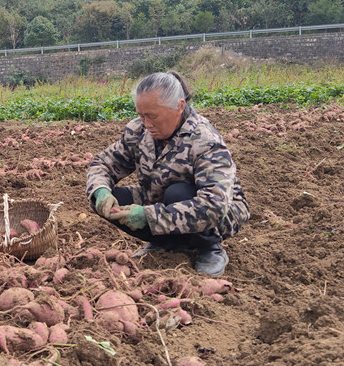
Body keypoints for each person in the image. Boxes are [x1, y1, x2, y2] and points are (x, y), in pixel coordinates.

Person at [86, 71, 249, 276]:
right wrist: (101, 190)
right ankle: (165, 242)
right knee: (108, 200)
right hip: (160, 201)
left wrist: (149, 216)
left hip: (219, 213)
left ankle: (208, 248)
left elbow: (215, 204)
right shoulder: (139, 131)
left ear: (179, 106)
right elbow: (103, 163)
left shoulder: (204, 140)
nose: (147, 124)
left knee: (178, 193)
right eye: (141, 115)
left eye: (153, 116)